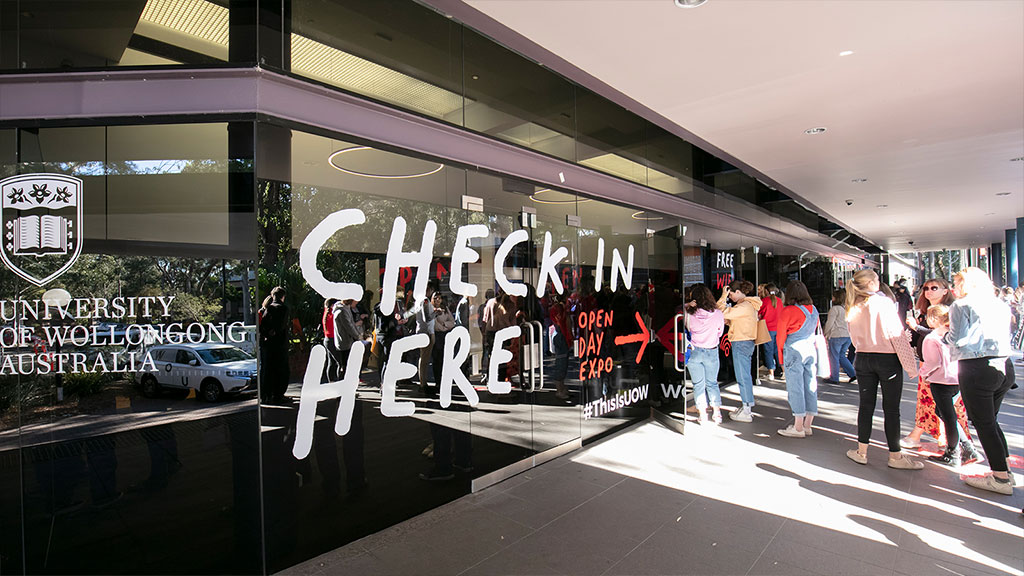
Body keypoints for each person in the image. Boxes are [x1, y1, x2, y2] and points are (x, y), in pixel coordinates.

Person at [943, 267, 1016, 495]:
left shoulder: (961, 305)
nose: (955, 287)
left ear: (967, 283)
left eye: (957, 282)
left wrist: (943, 334)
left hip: (976, 367)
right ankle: (1005, 470)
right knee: (990, 422)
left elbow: (958, 339)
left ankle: (1000, 478)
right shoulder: (999, 304)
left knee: (984, 424)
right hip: (1003, 365)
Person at [844, 269, 922, 469]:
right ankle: (895, 456)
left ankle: (861, 451)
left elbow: (853, 338)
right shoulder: (883, 303)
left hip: (863, 358)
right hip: (887, 359)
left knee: (866, 406)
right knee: (891, 409)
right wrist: (910, 365)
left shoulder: (853, 306)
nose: (879, 282)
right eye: (876, 279)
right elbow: (895, 334)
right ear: (870, 283)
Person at [902, 278, 962, 449]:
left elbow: (944, 336)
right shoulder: (923, 312)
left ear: (945, 290)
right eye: (926, 288)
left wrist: (917, 328)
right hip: (928, 364)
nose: (928, 291)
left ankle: (954, 443)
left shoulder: (951, 311)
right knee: (930, 403)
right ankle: (949, 440)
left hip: (943, 367)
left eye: (934, 287)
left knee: (939, 404)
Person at [920, 304, 981, 466]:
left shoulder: (932, 338)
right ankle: (966, 447)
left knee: (948, 416)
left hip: (941, 380)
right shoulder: (955, 336)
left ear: (933, 318)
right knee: (943, 412)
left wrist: (924, 374)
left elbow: (933, 361)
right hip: (957, 379)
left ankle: (954, 452)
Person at [775, 281, 820, 437]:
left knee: (796, 388)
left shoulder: (788, 311)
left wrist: (781, 359)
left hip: (794, 350)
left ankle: (798, 427)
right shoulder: (814, 310)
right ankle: (808, 425)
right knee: (810, 385)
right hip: (810, 349)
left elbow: (780, 337)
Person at [717, 279, 762, 422]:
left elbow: (721, 311)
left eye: (731, 295)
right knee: (744, 375)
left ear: (737, 292)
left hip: (741, 342)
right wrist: (731, 321)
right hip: (745, 341)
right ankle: (746, 406)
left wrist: (723, 296)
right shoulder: (748, 305)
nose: (730, 298)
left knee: (743, 377)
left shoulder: (744, 306)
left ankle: (747, 409)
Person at [685, 284, 725, 424]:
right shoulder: (718, 313)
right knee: (712, 383)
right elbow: (720, 332)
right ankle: (717, 413)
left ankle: (703, 414)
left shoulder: (689, 314)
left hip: (695, 351)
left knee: (698, 385)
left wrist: (687, 305)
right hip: (711, 351)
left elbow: (686, 326)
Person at [259, 286, 290, 403]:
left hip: (268, 345)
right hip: (280, 344)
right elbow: (281, 326)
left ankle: (267, 394)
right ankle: (278, 395)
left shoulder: (269, 308)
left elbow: (263, 327)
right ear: (283, 296)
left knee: (268, 370)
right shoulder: (283, 308)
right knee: (281, 370)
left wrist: (268, 334)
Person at [823, 289, 856, 384]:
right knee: (841, 356)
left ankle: (834, 377)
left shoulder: (834, 309)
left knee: (834, 357)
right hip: (847, 336)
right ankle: (852, 374)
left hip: (836, 335)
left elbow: (830, 323)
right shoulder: (846, 308)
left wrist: (825, 333)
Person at [430, 292, 455, 398]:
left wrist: (445, 325)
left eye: (439, 298)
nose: (438, 300)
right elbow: (434, 324)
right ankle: (438, 381)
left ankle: (445, 380)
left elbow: (452, 321)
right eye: (436, 298)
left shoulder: (445, 308)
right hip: (437, 335)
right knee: (437, 360)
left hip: (445, 335)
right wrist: (443, 327)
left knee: (445, 358)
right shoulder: (431, 309)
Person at [757, 283, 784, 381]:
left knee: (768, 351)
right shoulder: (779, 301)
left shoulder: (764, 301)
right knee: (778, 351)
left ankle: (771, 373)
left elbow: (759, 314)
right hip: (778, 329)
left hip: (768, 329)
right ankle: (784, 371)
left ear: (766, 291)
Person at [322, 298, 340, 381]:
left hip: (327, 339)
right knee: (340, 362)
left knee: (331, 362)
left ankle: (331, 381)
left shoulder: (326, 313)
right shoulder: (332, 315)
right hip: (333, 339)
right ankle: (339, 382)